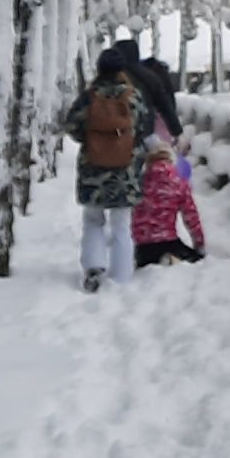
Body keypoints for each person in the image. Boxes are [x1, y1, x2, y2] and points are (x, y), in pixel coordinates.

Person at [65, 39, 155, 292]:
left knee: (93, 219)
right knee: (121, 224)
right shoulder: (133, 96)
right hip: (125, 170)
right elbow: (143, 128)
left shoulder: (88, 97)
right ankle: (122, 274)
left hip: (93, 168)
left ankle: (94, 267)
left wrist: (92, 140)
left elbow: (71, 126)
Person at [133, 134, 205, 268]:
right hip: (169, 241)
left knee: (146, 261)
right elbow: (191, 216)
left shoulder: (139, 183)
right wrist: (199, 243)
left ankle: (156, 261)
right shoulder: (179, 182)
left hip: (143, 247)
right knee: (198, 261)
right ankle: (170, 258)